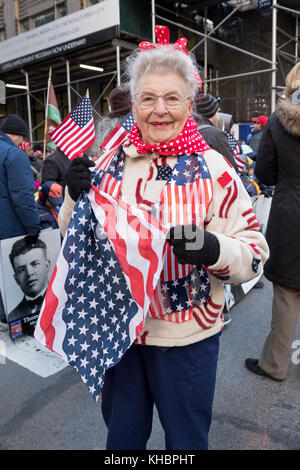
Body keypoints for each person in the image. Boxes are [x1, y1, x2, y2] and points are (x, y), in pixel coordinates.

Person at [58, 26, 269, 450]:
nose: (160, 109)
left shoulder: (214, 168)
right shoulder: (109, 160)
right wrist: (73, 196)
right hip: (119, 331)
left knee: (187, 441)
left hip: (186, 338)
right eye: (148, 98)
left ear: (189, 104)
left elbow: (255, 252)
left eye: (172, 98)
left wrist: (212, 249)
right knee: (123, 440)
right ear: (133, 104)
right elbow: (75, 239)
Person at [245, 62, 300, 382]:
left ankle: (275, 365)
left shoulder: (279, 122)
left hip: (290, 213)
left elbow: (264, 173)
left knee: (287, 294)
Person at [0, 114, 40, 240]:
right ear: (16, 134)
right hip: (9, 229)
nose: (22, 142)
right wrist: (34, 228)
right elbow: (22, 196)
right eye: (23, 137)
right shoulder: (15, 154)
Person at [7, 237, 50, 325]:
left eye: (35, 264)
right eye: (22, 270)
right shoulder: (12, 317)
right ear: (16, 279)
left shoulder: (63, 301)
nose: (29, 273)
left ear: (47, 266)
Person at [193, 93, 238, 172]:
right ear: (210, 112)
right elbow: (232, 169)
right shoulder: (215, 135)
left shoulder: (188, 130)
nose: (218, 117)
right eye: (217, 112)